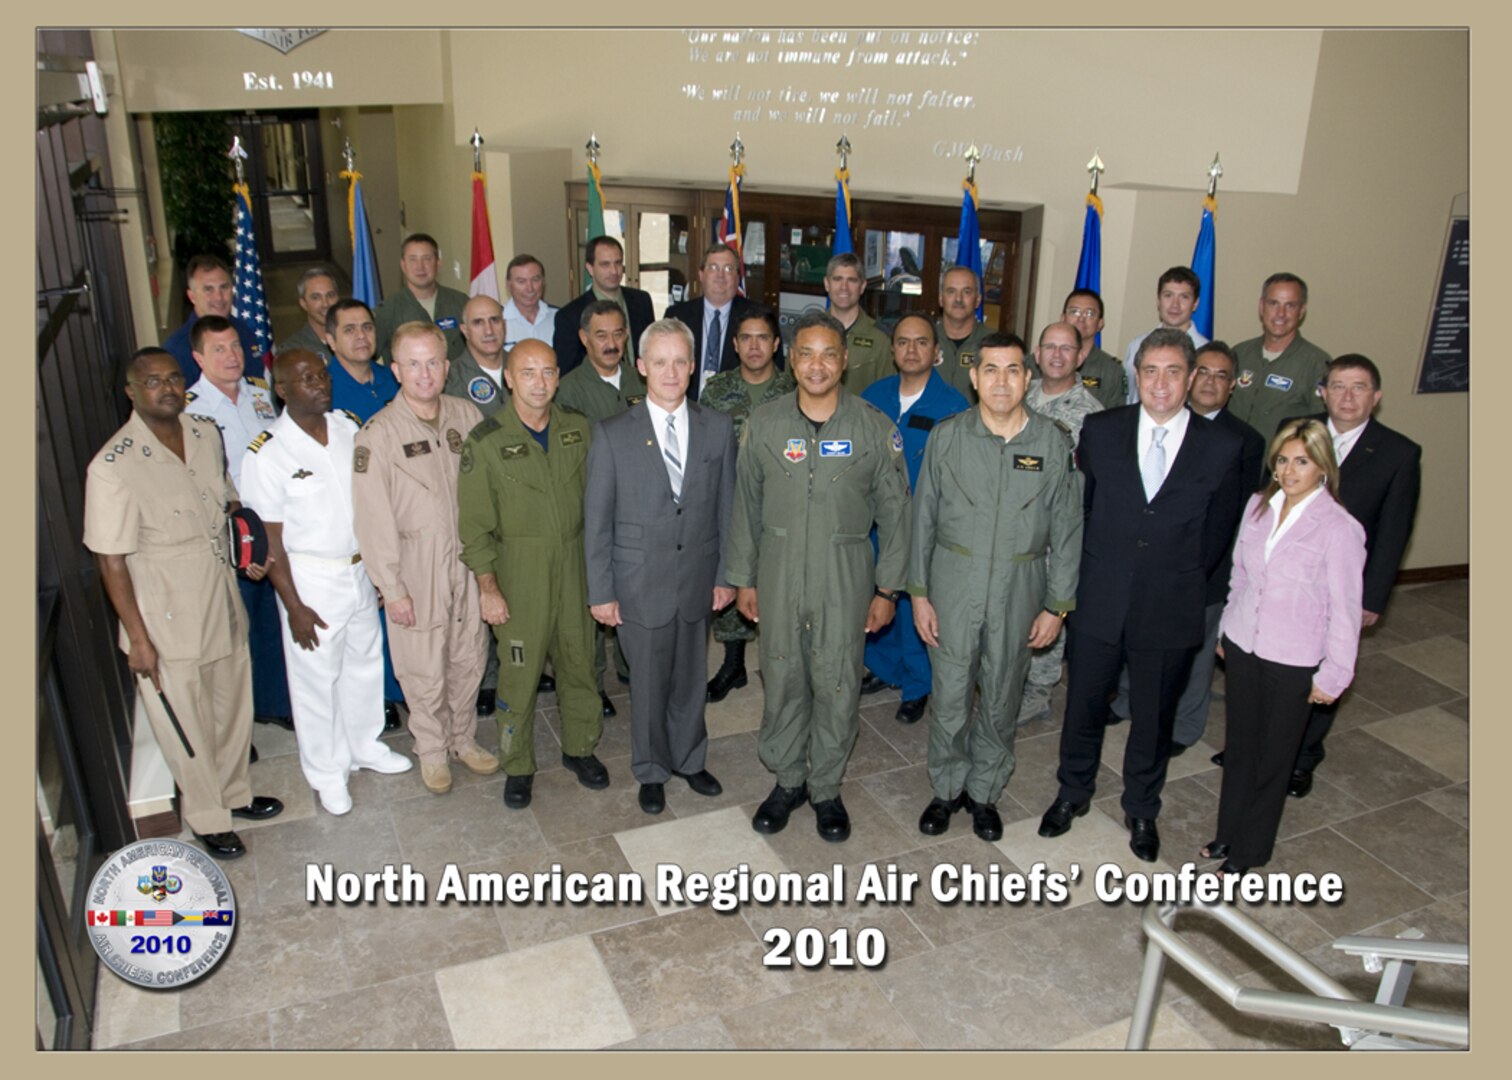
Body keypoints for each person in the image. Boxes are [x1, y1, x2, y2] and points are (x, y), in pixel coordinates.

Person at [1039, 328, 1243, 863]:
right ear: (1136, 374)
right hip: (1100, 598)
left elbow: (1220, 537)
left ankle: (1143, 807)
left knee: (1153, 718)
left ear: (1192, 377)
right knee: (1083, 704)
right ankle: (1072, 792)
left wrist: (1184, 588)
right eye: (1150, 370)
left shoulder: (1223, 446)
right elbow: (1079, 514)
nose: (1160, 383)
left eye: (1173, 371)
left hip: (1170, 604)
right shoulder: (1101, 430)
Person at [85, 347, 283, 860]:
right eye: (153, 381)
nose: (167, 388)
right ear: (131, 392)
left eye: (174, 377)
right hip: (164, 610)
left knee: (231, 705)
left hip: (218, 590)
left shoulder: (202, 433)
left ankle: (234, 794)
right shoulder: (113, 465)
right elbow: (111, 561)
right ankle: (207, 816)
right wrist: (139, 639)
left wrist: (249, 545)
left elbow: (227, 499)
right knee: (187, 723)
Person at [725, 309, 911, 842]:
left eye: (829, 353)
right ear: (791, 358)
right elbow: (745, 505)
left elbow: (898, 514)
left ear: (845, 360)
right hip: (778, 570)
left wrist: (887, 589)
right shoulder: (765, 423)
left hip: (846, 573)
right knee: (781, 674)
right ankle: (788, 779)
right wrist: (744, 578)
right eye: (806, 353)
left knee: (836, 680)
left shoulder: (874, 428)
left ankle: (826, 786)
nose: (817, 365)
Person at [910, 333, 1082, 840]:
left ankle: (984, 792)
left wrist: (1057, 605)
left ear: (1028, 378)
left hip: (1020, 587)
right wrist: (919, 594)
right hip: (953, 585)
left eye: (1012, 370)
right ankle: (946, 789)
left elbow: (1069, 531)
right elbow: (922, 520)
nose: (1001, 381)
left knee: (1004, 694)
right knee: (951, 696)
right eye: (991, 370)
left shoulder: (1052, 442)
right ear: (974, 376)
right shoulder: (948, 437)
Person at [240, 350, 414, 816]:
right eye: (305, 378)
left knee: (363, 662)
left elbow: (370, 502)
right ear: (282, 390)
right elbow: (269, 539)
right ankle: (327, 772)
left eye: (321, 374)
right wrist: (293, 605)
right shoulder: (268, 453)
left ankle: (365, 746)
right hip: (309, 576)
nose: (319, 383)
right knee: (316, 680)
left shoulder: (347, 427)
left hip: (358, 568)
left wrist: (380, 571)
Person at [585, 319, 738, 814]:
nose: (670, 372)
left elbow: (727, 509)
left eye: (679, 362)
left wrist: (725, 576)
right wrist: (601, 591)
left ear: (692, 367)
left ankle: (690, 758)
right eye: (659, 362)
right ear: (641, 367)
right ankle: (651, 769)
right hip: (637, 583)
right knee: (648, 683)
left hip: (697, 577)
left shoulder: (717, 428)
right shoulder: (611, 434)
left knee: (692, 677)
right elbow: (597, 521)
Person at [1203, 420, 1366, 873]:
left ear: (1323, 468)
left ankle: (1251, 850)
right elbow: (1239, 573)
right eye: (1282, 460)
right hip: (1244, 644)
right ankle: (1226, 835)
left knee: (1273, 759)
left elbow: (1345, 611)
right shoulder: (1258, 505)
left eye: (1302, 461)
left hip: (1293, 658)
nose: (1289, 471)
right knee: (1240, 749)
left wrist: (1335, 674)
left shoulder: (1339, 528)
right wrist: (1225, 631)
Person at [457, 340, 607, 810]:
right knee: (519, 675)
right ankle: (518, 763)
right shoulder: (485, 443)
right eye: (527, 373)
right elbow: (474, 528)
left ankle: (580, 747)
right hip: (519, 571)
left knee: (580, 661)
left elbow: (602, 505)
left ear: (558, 377)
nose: (538, 382)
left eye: (547, 372)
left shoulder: (579, 430)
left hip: (576, 566)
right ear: (508, 378)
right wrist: (488, 588)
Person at [353, 322, 500, 795]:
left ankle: (462, 740)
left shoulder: (466, 415)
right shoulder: (377, 435)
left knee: (468, 655)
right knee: (422, 668)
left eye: (433, 361)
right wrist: (391, 588)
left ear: (446, 363)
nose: (425, 373)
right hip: (415, 566)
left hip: (467, 560)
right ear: (395, 369)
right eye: (413, 364)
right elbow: (371, 520)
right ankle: (432, 752)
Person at [1278, 354, 1422, 796]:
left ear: (1375, 398)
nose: (1346, 396)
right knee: (1277, 668)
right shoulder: (1296, 430)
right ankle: (1267, 745)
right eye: (1338, 385)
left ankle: (1302, 757)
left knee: (1326, 672)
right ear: (1323, 391)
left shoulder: (1398, 453)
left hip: (1340, 588)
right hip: (1287, 580)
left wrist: (1372, 599)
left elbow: (1394, 532)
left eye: (1358, 387)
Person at [859, 315, 969, 724]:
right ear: (892, 350)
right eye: (903, 342)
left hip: (926, 526)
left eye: (920, 342)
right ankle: (885, 670)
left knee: (915, 605)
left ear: (935, 350)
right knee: (878, 595)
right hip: (875, 523)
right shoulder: (873, 395)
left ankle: (918, 685)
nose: (910, 349)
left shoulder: (954, 406)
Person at [184, 315, 292, 731]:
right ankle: (234, 724)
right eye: (218, 349)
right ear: (198, 357)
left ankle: (275, 703)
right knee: (233, 629)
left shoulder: (262, 394)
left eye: (234, 347)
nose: (231, 357)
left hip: (276, 527)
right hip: (231, 533)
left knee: (274, 619)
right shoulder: (190, 410)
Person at [700, 306, 796, 702]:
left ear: (776, 345)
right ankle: (734, 662)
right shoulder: (716, 391)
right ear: (735, 345)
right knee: (732, 576)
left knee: (781, 585)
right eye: (746, 339)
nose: (755, 346)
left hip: (782, 504)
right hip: (732, 500)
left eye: (763, 338)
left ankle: (782, 664)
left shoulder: (794, 390)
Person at [555, 300, 644, 712]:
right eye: (601, 335)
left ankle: (632, 667)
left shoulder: (644, 380)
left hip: (639, 510)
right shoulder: (567, 389)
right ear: (584, 338)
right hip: (590, 510)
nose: (611, 344)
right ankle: (594, 682)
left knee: (634, 594)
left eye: (618, 334)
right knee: (591, 595)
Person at [322, 297, 405, 729]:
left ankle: (407, 683)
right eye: (349, 329)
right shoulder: (324, 388)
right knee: (373, 611)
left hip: (406, 506)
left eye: (367, 327)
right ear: (330, 338)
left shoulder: (392, 380)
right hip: (359, 512)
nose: (360, 336)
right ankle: (383, 695)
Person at [1015, 321, 1103, 728]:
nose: (1057, 355)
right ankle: (1012, 679)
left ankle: (1039, 690)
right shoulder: (1018, 394)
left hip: (1054, 528)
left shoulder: (1094, 415)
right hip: (1012, 521)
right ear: (1037, 351)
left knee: (1050, 605)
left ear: (1081, 356)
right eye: (1049, 346)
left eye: (1067, 348)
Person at [665, 243, 785, 398]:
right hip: (686, 405)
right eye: (713, 268)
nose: (720, 275)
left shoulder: (757, 317)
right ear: (701, 275)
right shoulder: (677, 316)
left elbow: (776, 371)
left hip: (736, 410)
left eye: (728, 269)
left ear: (737, 277)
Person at [1228, 273, 1331, 443]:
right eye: (1273, 303)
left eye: (1290, 305)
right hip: (1231, 463)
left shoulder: (1316, 363)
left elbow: (1319, 428)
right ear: (1261, 306)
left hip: (1279, 465)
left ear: (1302, 311)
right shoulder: (1239, 353)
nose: (1280, 313)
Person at [554, 235, 656, 377]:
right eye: (605, 264)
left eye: (618, 263)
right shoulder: (570, 315)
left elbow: (652, 350)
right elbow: (568, 371)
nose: (614, 271)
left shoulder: (641, 301)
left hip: (640, 388)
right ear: (590, 268)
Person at [162, 254, 262, 383]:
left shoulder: (243, 330)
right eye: (208, 289)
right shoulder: (176, 350)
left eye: (224, 287)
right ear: (192, 296)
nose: (219, 298)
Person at [374, 233, 470, 361]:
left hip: (458, 380)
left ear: (438, 264)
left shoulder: (461, 303)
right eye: (413, 259)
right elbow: (367, 357)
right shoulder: (387, 311)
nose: (420, 267)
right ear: (403, 265)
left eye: (427, 259)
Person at [1122, 266, 1209, 405]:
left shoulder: (1206, 352)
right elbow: (1130, 396)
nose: (1175, 305)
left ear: (1195, 304)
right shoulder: (1137, 345)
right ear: (1158, 300)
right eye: (1168, 295)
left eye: (1184, 297)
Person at [823, 252, 893, 395]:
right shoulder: (807, 333)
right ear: (827, 284)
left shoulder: (881, 339)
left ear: (862, 286)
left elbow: (888, 395)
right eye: (837, 279)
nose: (844, 287)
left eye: (852, 280)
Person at [1059, 288, 1127, 411]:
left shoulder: (1112, 371)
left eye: (1090, 313)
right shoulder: (1037, 363)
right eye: (1074, 312)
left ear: (1100, 323)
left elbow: (1117, 417)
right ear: (1063, 318)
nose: (1081, 319)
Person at [446, 294, 511, 418]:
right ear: (465, 331)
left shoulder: (522, 366)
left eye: (495, 320)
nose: (489, 331)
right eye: (478, 322)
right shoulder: (452, 379)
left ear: (504, 325)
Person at [934, 265, 992, 402]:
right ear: (941, 299)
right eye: (951, 291)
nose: (958, 299)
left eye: (966, 292)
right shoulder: (924, 340)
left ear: (977, 300)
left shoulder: (994, 344)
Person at [276, 267, 340, 360]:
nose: (325, 304)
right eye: (315, 297)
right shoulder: (292, 350)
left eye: (330, 295)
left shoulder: (354, 340)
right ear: (303, 304)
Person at [501, 253, 557, 353]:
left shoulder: (559, 317)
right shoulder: (498, 321)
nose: (530, 288)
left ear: (543, 282)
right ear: (509, 285)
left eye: (535, 280)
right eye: (521, 281)